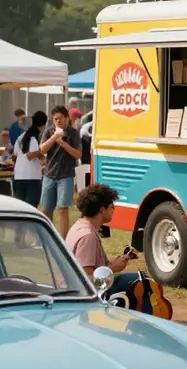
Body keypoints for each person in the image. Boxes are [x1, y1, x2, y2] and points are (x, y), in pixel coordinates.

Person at [66, 183, 137, 298]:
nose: (113, 210)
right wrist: (113, 268)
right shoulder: (87, 236)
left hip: (77, 290)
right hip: (83, 295)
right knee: (141, 282)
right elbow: (87, 280)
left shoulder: (80, 226)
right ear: (102, 210)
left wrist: (115, 262)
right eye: (111, 206)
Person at [39, 105, 81, 235]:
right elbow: (42, 149)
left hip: (66, 175)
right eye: (55, 119)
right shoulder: (48, 132)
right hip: (49, 174)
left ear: (67, 118)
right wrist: (54, 138)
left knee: (63, 209)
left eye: (60, 118)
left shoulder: (73, 133)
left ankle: (63, 239)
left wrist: (63, 143)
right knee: (46, 208)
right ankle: (47, 236)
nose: (58, 121)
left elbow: (78, 154)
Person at [14, 110, 47, 208]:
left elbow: (15, 155)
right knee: (31, 206)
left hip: (19, 175)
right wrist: (41, 155)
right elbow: (30, 155)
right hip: (32, 175)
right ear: (43, 125)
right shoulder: (33, 137)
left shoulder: (20, 137)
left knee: (21, 207)